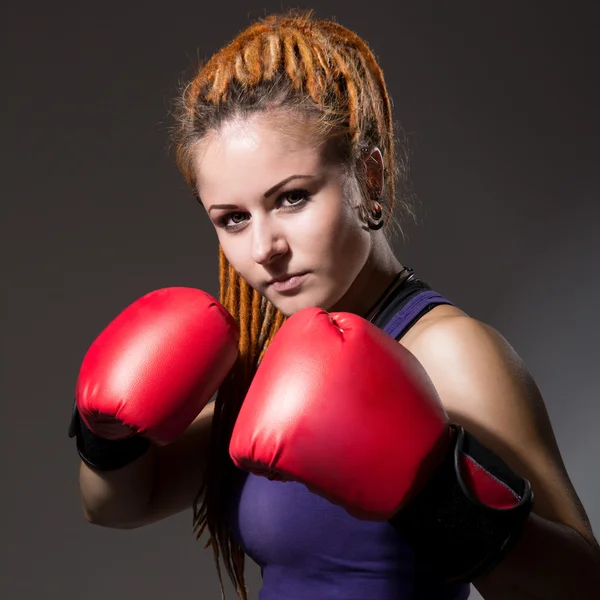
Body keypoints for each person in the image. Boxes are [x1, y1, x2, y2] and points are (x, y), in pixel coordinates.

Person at [70, 10, 600, 600]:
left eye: (292, 198)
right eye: (234, 219)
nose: (265, 248)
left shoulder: (450, 352)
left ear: (367, 178)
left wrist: (430, 490)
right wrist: (106, 434)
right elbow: (118, 505)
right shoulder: (275, 361)